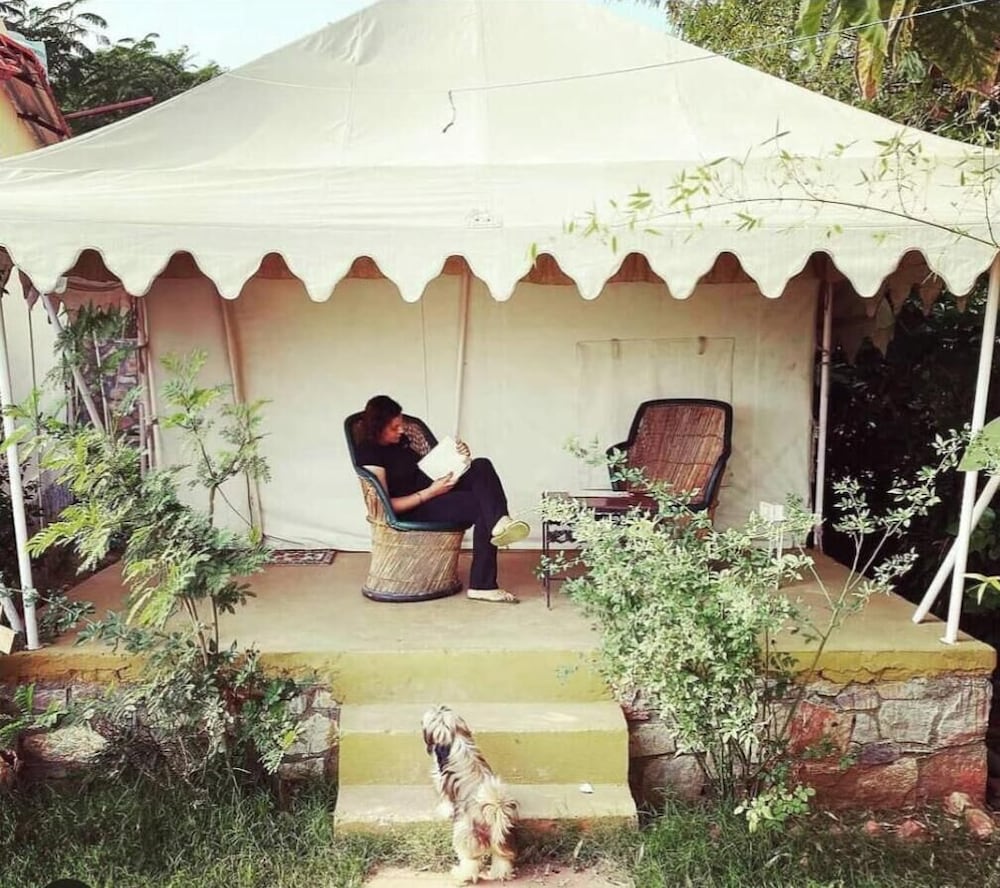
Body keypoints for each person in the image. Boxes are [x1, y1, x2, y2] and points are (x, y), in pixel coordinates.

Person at [355, 395, 529, 604]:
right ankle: (483, 584)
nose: (401, 430)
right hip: (415, 506)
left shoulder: (401, 442)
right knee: (482, 505)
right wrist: (431, 492)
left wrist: (459, 457)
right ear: (377, 427)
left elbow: (429, 465)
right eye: (394, 427)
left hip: (435, 489)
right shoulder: (370, 454)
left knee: (481, 465)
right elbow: (386, 507)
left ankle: (500, 522)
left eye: (401, 425)